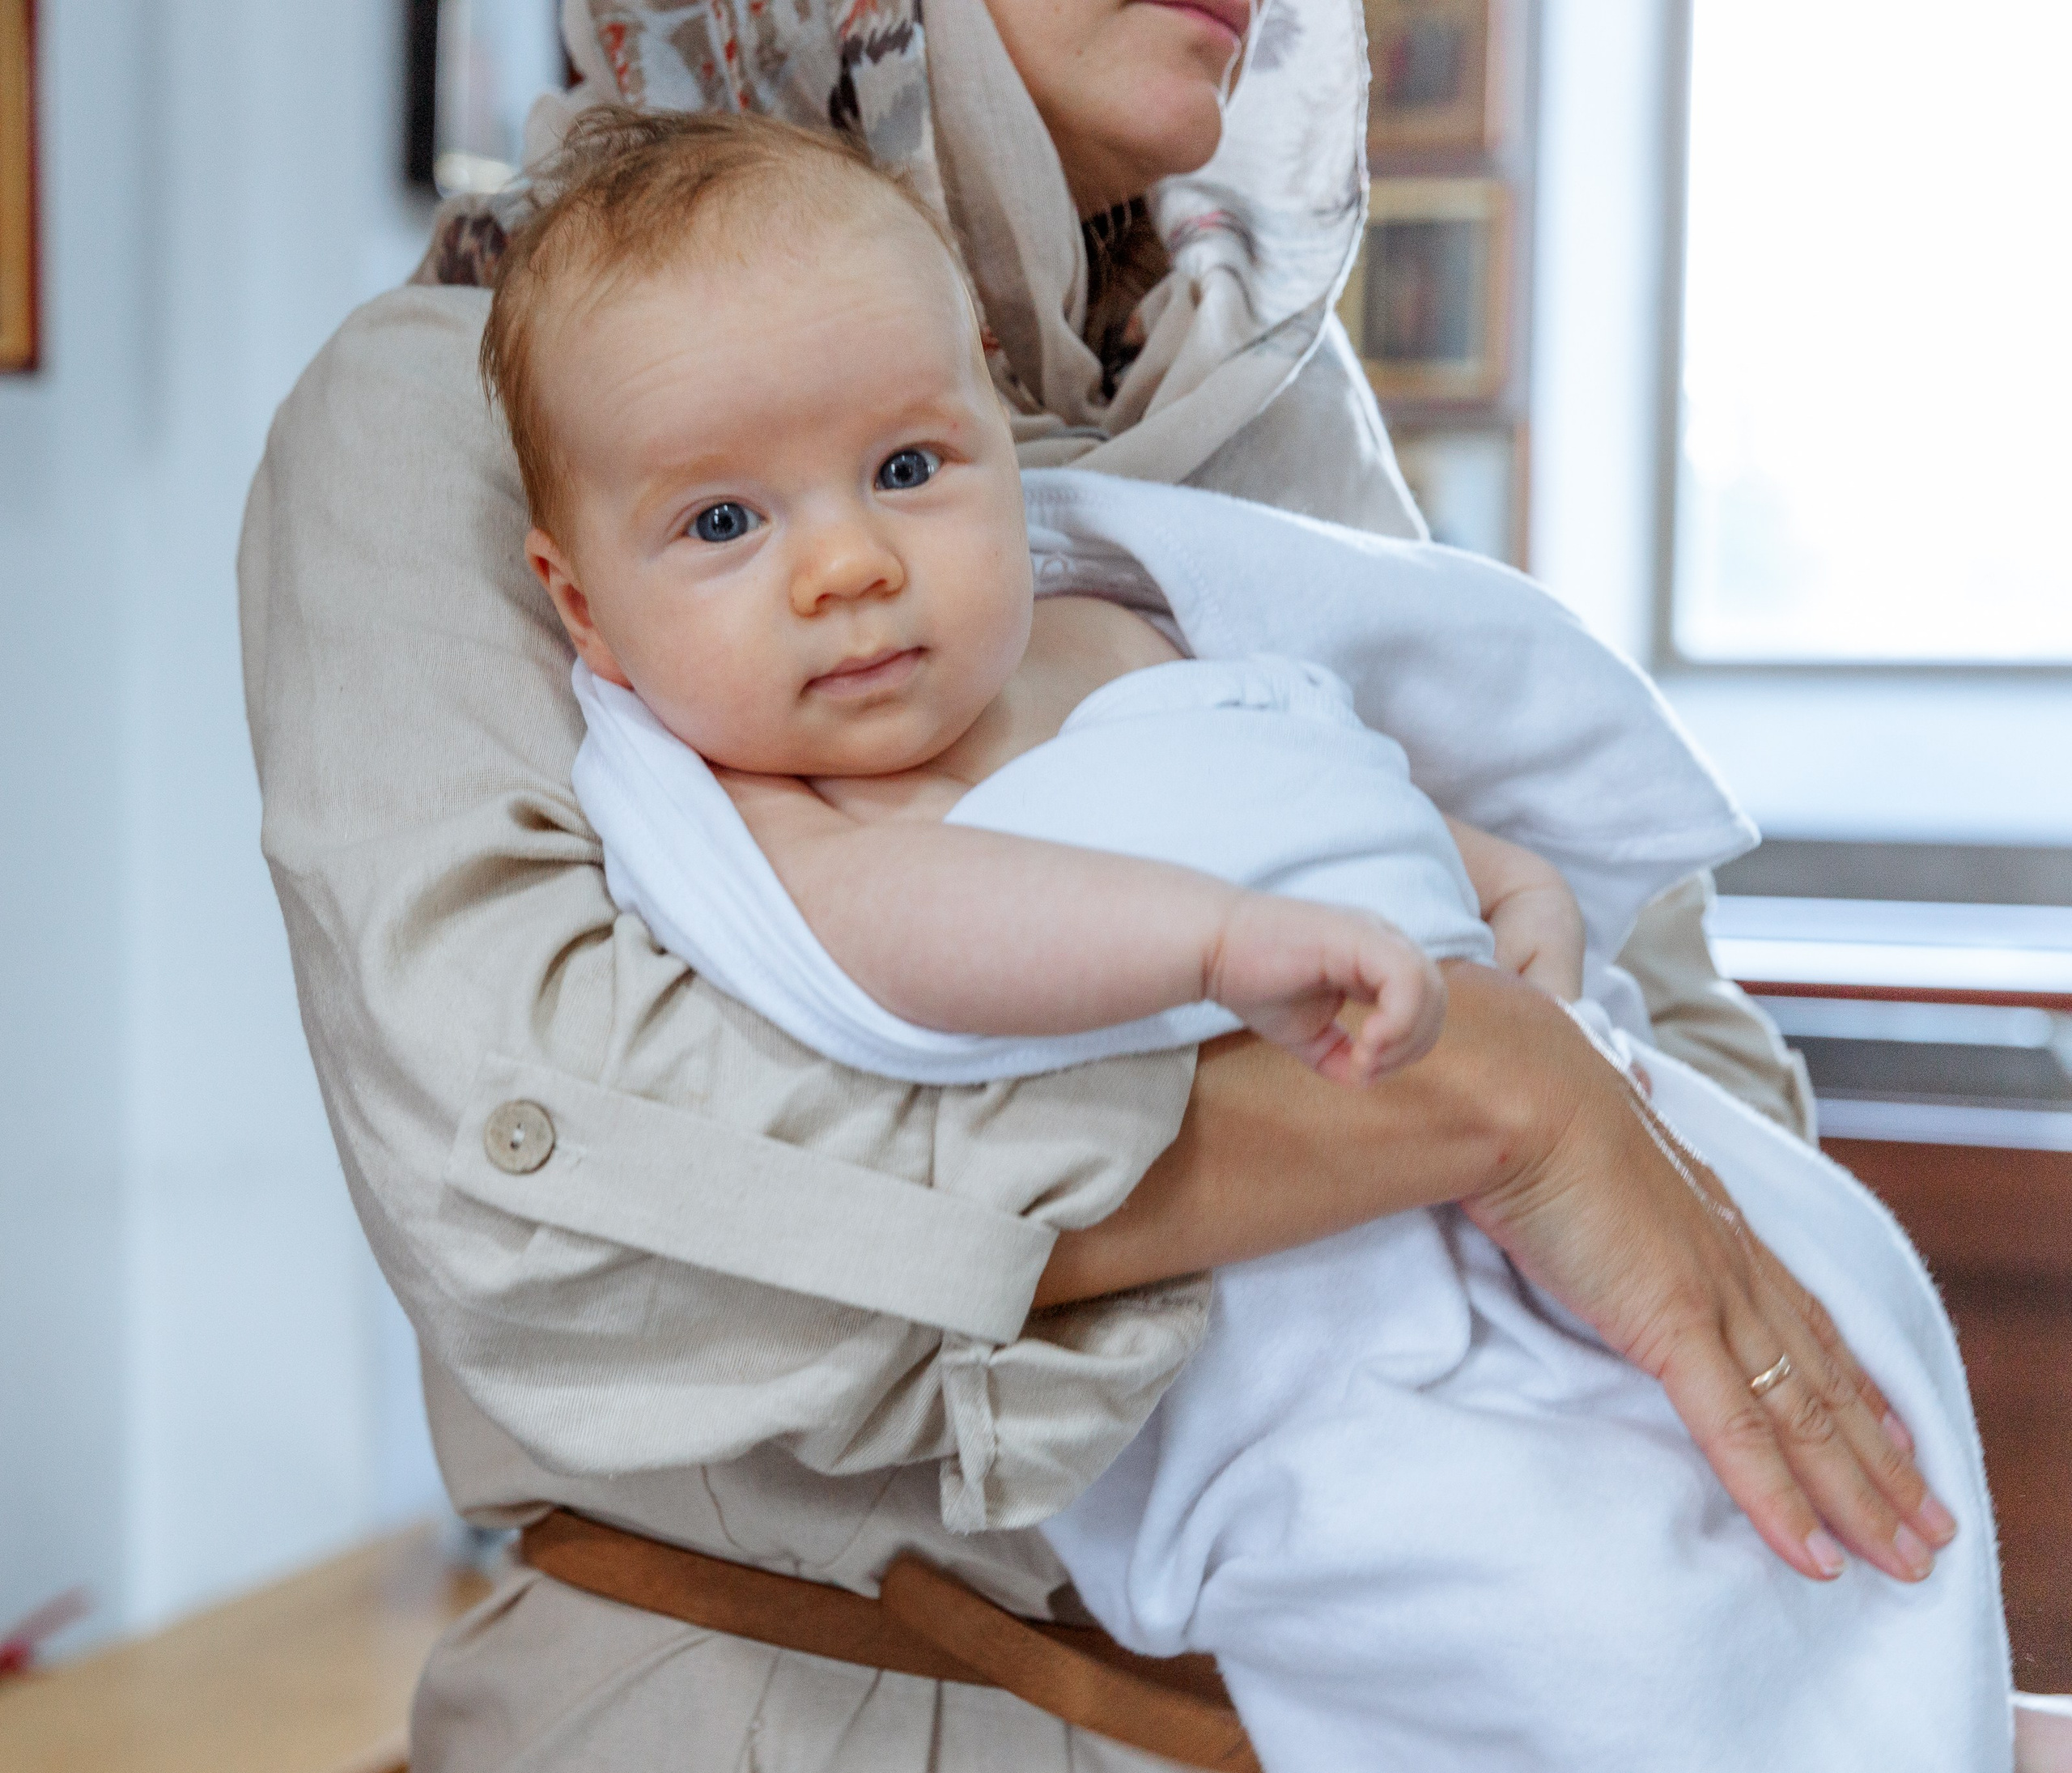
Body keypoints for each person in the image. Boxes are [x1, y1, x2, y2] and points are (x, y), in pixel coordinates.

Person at [237, 2, 1914, 1767]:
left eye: (911, 463)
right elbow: (554, 1184)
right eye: (732, 523)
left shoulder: (1260, 387)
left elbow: (1658, 1028)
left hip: (1434, 1670)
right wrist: (1474, 1102)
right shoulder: (477, 391)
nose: (847, 559)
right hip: (795, 1713)